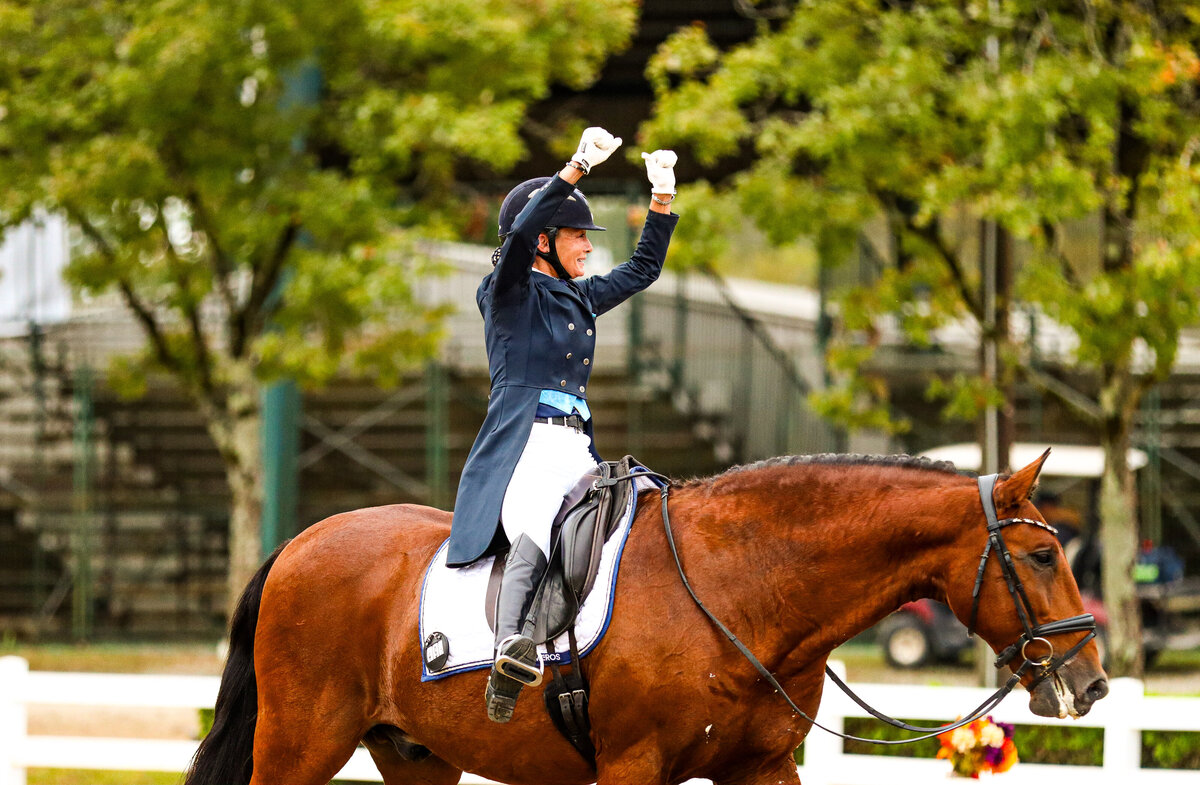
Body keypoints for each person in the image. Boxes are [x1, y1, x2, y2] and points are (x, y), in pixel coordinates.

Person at [445, 126, 679, 723]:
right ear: (545, 239)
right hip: (525, 444)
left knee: (623, 529)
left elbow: (645, 268)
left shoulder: (577, 298)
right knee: (539, 530)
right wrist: (576, 166)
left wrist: (661, 199)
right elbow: (518, 235)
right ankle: (507, 654)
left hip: (576, 446)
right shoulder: (506, 291)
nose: (588, 247)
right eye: (578, 235)